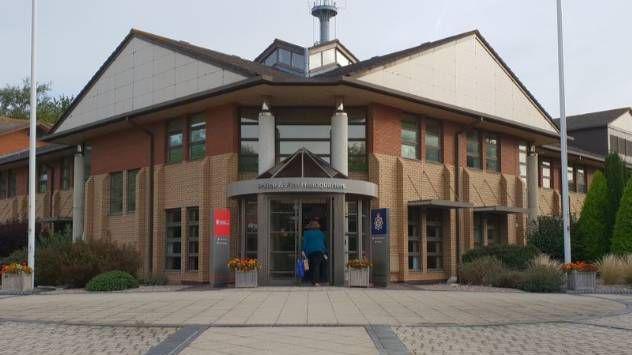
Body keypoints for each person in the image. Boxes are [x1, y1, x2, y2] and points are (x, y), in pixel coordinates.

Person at [302, 219, 327, 286]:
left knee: (309, 266)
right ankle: (316, 281)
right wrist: (324, 251)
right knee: (316, 266)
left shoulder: (306, 233)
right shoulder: (321, 233)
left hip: (310, 251)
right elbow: (323, 242)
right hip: (319, 251)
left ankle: (309, 279)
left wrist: (303, 250)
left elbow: (304, 243)